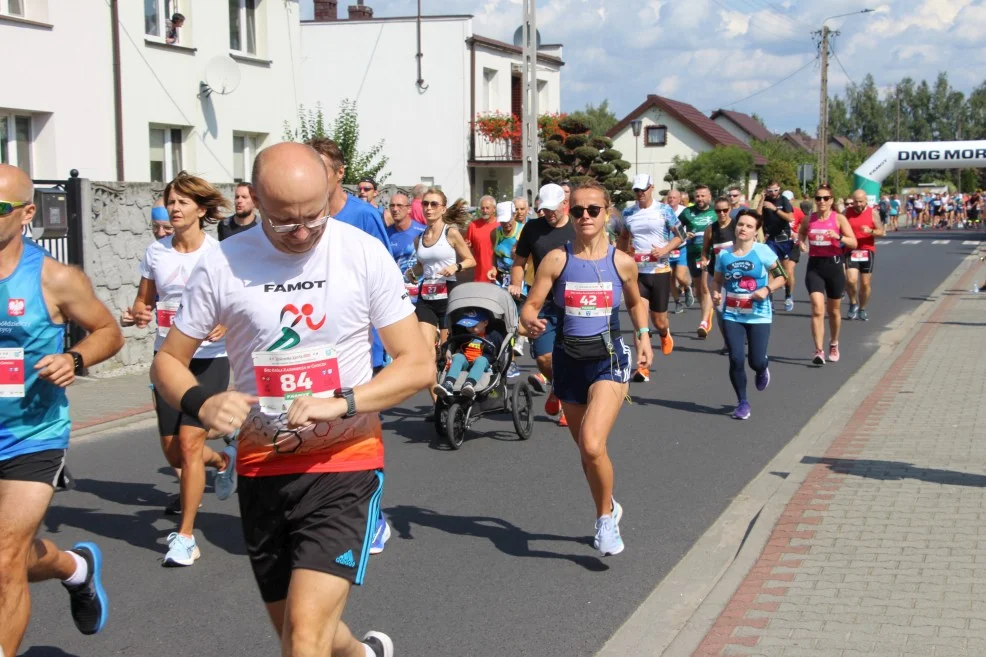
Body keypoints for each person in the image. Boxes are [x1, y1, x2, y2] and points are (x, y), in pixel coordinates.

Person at [151, 142, 433, 657]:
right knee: (304, 634)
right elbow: (167, 360)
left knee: (303, 640)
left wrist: (343, 401)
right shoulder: (223, 263)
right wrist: (201, 402)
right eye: (285, 222)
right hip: (262, 466)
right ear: (254, 199)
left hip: (344, 461)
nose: (303, 232)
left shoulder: (360, 252)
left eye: (315, 215)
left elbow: (417, 363)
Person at [0, 164, 125, 657]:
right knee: (10, 556)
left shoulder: (54, 278)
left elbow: (109, 332)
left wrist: (74, 358)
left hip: (33, 434)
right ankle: (76, 568)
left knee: (6, 558)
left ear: (27, 213)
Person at [521, 181, 653, 556]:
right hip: (568, 362)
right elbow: (531, 305)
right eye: (577, 210)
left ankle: (604, 520)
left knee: (594, 443)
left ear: (607, 212)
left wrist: (643, 336)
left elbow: (635, 301)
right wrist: (529, 321)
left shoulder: (621, 261)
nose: (584, 217)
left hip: (608, 361)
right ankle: (610, 505)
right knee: (586, 449)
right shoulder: (556, 260)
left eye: (592, 210)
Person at [128, 172, 236, 566]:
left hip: (209, 357)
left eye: (182, 202)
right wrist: (139, 313)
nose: (173, 208)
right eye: (170, 201)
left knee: (190, 446)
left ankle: (186, 536)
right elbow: (144, 301)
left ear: (201, 210)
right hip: (169, 360)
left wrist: (228, 318)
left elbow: (238, 301)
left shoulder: (220, 253)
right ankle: (223, 461)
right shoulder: (155, 252)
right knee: (174, 452)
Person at [307, 138, 390, 375]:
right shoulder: (302, 218)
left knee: (360, 410)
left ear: (340, 172)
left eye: (321, 169)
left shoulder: (365, 215)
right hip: (313, 334)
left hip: (357, 337)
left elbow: (385, 277)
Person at [711, 209, 787, 420]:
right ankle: (742, 402)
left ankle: (762, 369)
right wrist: (716, 292)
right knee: (735, 358)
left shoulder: (763, 251)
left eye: (749, 226)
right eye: (741, 224)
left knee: (755, 361)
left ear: (756, 232)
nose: (743, 228)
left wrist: (767, 289)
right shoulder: (724, 254)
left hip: (759, 314)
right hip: (732, 313)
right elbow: (716, 279)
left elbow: (782, 276)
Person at [510, 183, 575, 427]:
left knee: (572, 356)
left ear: (564, 204)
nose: (548, 213)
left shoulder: (576, 227)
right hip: (543, 302)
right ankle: (558, 386)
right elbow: (519, 262)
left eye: (552, 209)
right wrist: (516, 285)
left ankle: (568, 402)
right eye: (544, 209)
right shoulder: (532, 228)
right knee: (544, 359)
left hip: (573, 302)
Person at [617, 174, 682, 381]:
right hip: (638, 273)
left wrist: (664, 249)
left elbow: (680, 234)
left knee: (658, 320)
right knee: (640, 321)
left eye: (643, 190)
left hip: (660, 271)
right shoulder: (628, 213)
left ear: (651, 188)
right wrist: (619, 258)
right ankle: (642, 366)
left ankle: (664, 333)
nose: (640, 194)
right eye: (636, 190)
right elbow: (624, 238)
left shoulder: (664, 210)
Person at [799, 184, 858, 365]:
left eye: (825, 198)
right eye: (818, 198)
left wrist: (838, 237)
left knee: (834, 311)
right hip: (815, 267)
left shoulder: (839, 219)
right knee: (817, 308)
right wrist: (801, 243)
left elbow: (854, 243)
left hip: (834, 266)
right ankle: (819, 351)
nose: (822, 201)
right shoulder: (809, 219)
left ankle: (833, 343)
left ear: (831, 200)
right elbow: (801, 233)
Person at [488, 201, 526, 377]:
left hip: (522, 283)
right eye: (502, 221)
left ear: (514, 215)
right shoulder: (495, 233)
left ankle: (527, 339)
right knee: (503, 323)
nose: (506, 224)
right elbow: (495, 257)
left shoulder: (523, 231)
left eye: (509, 219)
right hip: (502, 281)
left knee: (517, 324)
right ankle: (510, 362)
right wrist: (493, 269)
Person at [433, 309, 505, 398]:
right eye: (467, 326)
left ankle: (469, 384)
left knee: (481, 360)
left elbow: (500, 350)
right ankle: (448, 383)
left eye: (473, 326)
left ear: (485, 323)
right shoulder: (463, 334)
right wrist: (454, 353)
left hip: (483, 363)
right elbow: (456, 345)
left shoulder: (494, 336)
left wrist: (497, 362)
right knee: (458, 357)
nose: (470, 329)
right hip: (466, 361)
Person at [678, 185, 717, 338]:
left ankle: (703, 322)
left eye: (703, 196)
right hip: (693, 254)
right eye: (697, 196)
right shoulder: (688, 212)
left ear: (709, 197)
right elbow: (674, 227)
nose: (700, 199)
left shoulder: (715, 212)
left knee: (706, 287)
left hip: (710, 254)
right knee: (699, 290)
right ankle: (707, 313)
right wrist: (684, 234)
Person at [702, 197, 737, 356]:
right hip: (716, 274)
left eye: (725, 210)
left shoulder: (737, 226)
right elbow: (705, 250)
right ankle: (728, 343)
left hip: (736, 274)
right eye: (718, 211)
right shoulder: (711, 229)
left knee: (738, 307)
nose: (722, 213)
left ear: (730, 209)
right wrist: (703, 259)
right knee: (720, 309)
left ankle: (741, 334)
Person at [844, 189, 885, 321]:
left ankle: (862, 308)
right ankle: (853, 303)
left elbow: (882, 232)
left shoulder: (872, 213)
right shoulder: (846, 213)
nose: (858, 204)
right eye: (856, 201)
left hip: (867, 250)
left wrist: (871, 231)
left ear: (866, 201)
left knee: (865, 283)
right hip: (851, 249)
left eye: (861, 201)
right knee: (850, 280)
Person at [759, 181, 797, 312]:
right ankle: (770, 299)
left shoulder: (784, 200)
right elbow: (757, 216)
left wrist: (775, 209)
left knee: (786, 271)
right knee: (771, 269)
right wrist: (762, 199)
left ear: (779, 190)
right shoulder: (766, 200)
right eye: (770, 191)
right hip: (771, 239)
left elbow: (790, 217)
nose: (773, 193)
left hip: (784, 238)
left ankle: (788, 295)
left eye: (775, 190)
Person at [665, 189, 693, 313]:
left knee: (680, 275)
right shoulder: (663, 210)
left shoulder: (684, 211)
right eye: (669, 198)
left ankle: (687, 287)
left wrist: (687, 234)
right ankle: (678, 302)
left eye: (674, 198)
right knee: (669, 277)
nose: (671, 200)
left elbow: (690, 225)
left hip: (681, 247)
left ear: (679, 199)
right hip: (667, 248)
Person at [466, 195, 498, 283]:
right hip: (479, 276)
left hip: (498, 276)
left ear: (494, 209)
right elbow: (466, 250)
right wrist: (466, 247)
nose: (484, 211)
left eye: (487, 208)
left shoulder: (501, 225)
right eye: (482, 208)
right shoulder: (473, 226)